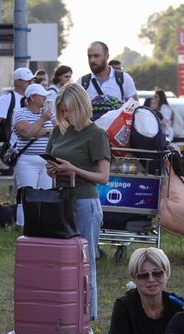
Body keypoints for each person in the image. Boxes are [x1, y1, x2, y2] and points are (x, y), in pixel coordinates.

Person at [44, 83, 111, 321]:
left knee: (85, 262)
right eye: (62, 111)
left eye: (69, 110)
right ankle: (61, 311)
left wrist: (73, 169)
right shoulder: (58, 131)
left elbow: (103, 177)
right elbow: (50, 160)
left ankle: (86, 317)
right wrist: (53, 169)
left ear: (81, 107)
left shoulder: (96, 134)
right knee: (58, 259)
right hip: (60, 201)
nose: (65, 116)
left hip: (84, 201)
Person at [10, 83, 54, 225]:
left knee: (46, 194)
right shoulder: (20, 113)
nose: (45, 99)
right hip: (26, 160)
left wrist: (37, 130)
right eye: (42, 96)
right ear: (33, 97)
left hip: (46, 160)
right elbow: (26, 133)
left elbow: (57, 131)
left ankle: (43, 224)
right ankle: (24, 225)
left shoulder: (48, 113)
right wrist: (44, 125)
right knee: (27, 194)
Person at [0, 67, 33, 147]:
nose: (30, 83)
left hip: (32, 145)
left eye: (31, 80)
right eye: (27, 81)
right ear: (17, 82)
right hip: (15, 146)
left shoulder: (33, 97)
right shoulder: (7, 97)